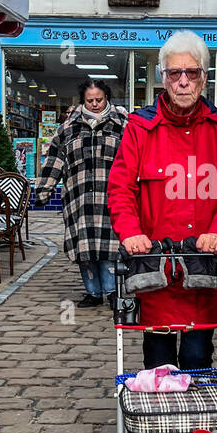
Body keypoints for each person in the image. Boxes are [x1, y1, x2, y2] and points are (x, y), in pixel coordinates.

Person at [107, 31, 217, 368]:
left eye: (191, 73)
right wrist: (130, 233)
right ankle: (161, 421)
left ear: (203, 78)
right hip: (155, 265)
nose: (183, 81)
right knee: (158, 361)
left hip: (202, 265)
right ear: (163, 78)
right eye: (175, 73)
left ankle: (195, 421)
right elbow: (120, 187)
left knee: (197, 355)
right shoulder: (139, 128)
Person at [36, 79, 128, 307]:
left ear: (107, 98)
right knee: (84, 248)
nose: (95, 104)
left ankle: (113, 291)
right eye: (90, 100)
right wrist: (44, 190)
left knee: (110, 248)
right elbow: (55, 159)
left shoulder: (123, 124)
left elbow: (136, 158)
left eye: (100, 99)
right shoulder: (68, 128)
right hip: (79, 198)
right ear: (83, 101)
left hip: (112, 197)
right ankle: (93, 292)